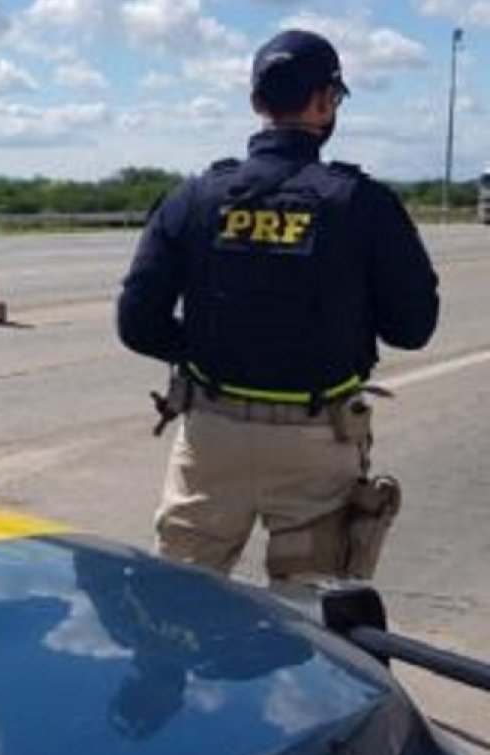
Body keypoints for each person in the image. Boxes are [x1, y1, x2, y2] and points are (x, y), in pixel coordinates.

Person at [116, 30, 439, 581]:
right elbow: (412, 329)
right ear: (325, 100)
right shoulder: (363, 204)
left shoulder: (195, 197)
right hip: (318, 444)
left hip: (210, 437)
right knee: (311, 630)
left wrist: (206, 346)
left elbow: (137, 323)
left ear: (256, 103)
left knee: (179, 611)